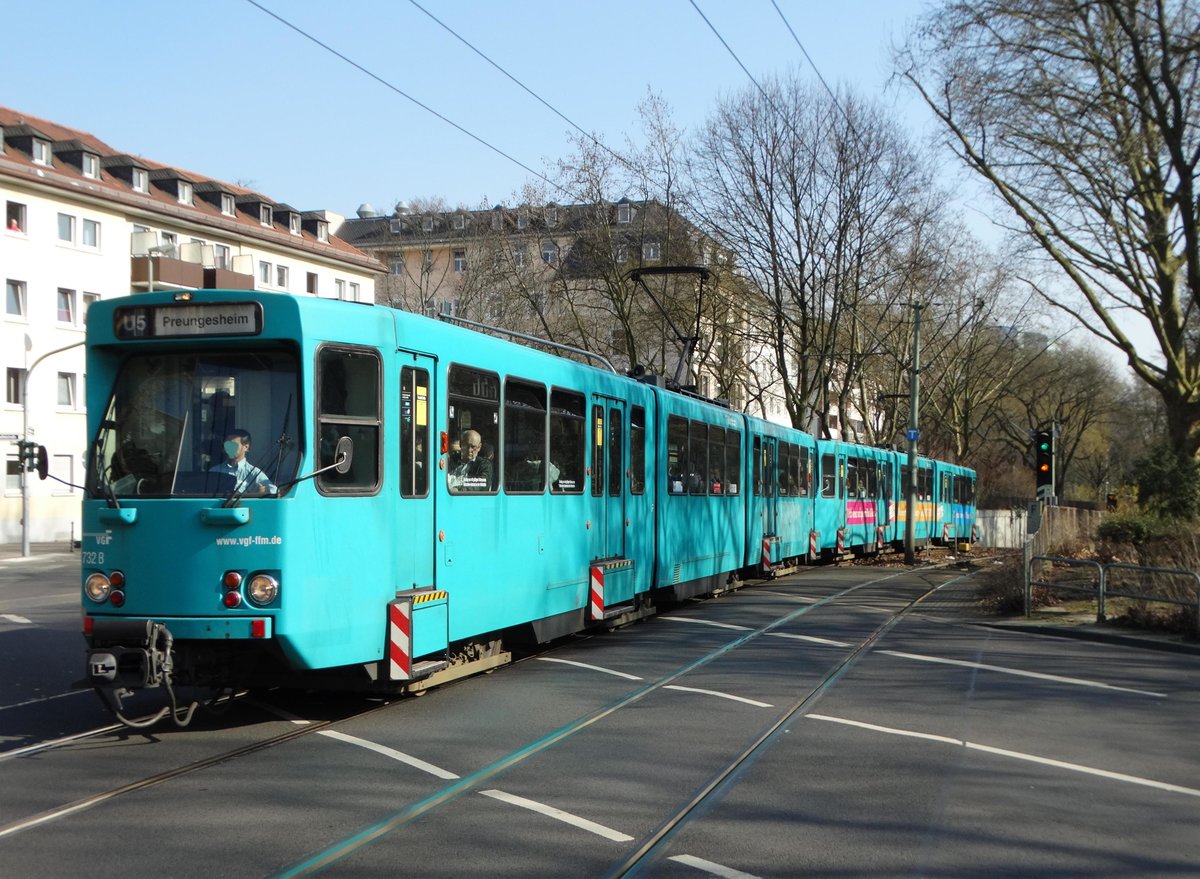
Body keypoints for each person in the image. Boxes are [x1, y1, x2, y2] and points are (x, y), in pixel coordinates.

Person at [210, 428, 275, 495]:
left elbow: (275, 492)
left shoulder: (255, 473)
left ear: (246, 447)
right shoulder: (214, 471)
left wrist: (264, 492)